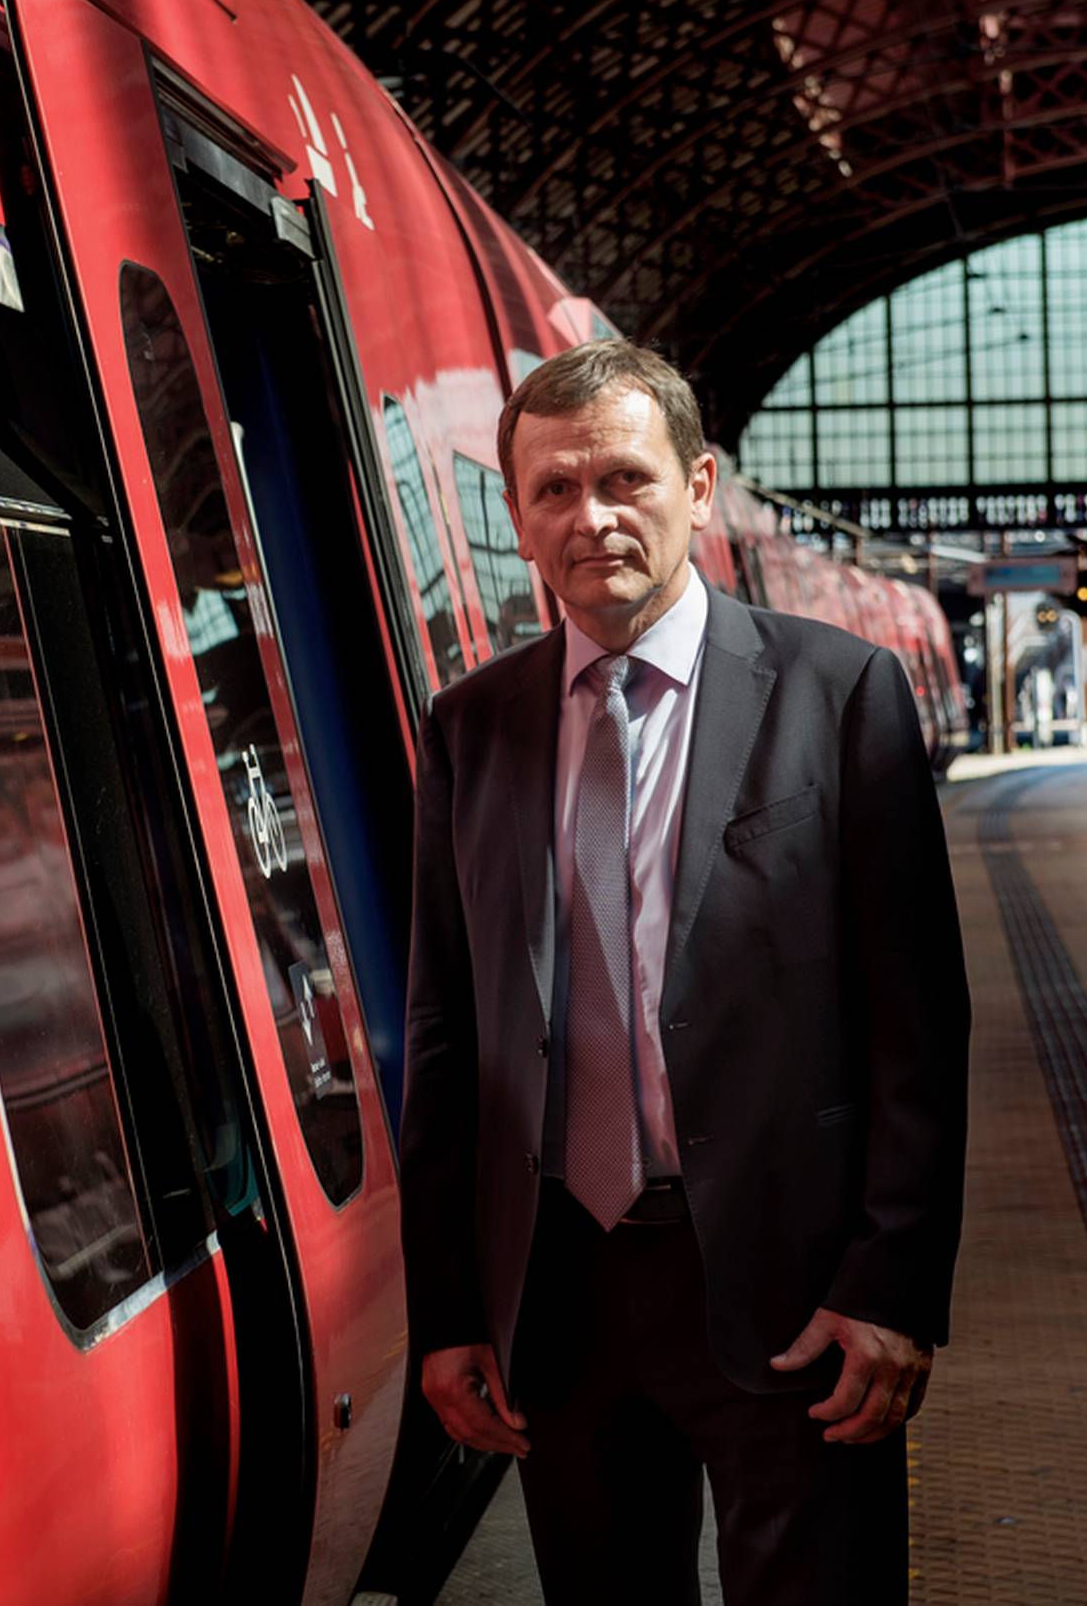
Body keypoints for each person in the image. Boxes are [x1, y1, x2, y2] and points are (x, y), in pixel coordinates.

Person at [400, 341, 970, 1605]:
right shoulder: (469, 729)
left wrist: (891, 1285)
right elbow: (446, 1032)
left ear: (699, 488)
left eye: (624, 478)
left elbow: (916, 1026)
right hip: (560, 1292)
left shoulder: (837, 695)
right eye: (553, 489)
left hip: (791, 1289)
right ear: (513, 515)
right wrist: (447, 1307)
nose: (590, 516)